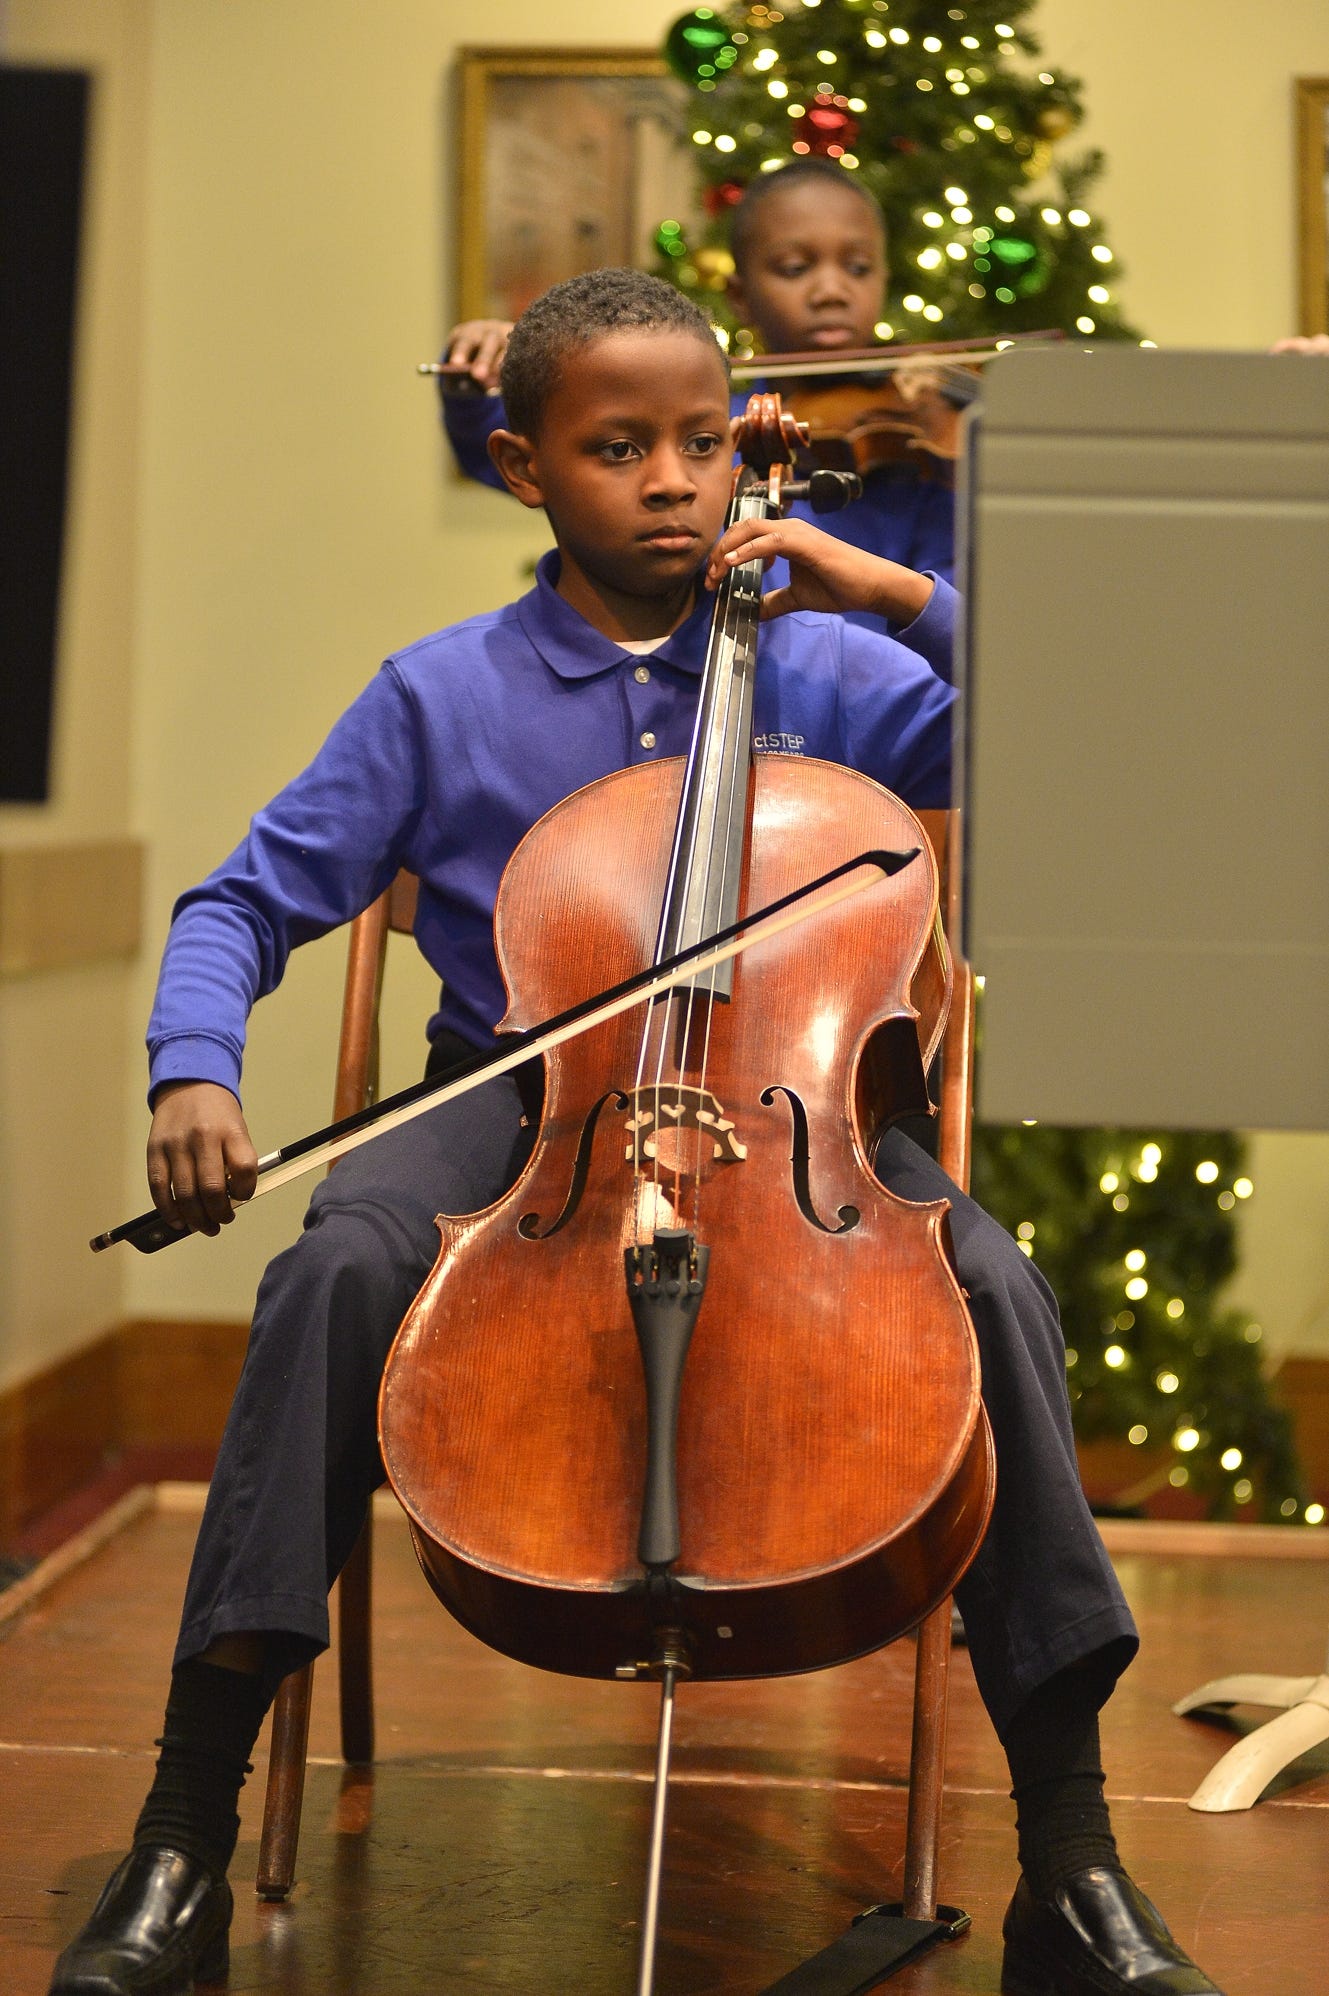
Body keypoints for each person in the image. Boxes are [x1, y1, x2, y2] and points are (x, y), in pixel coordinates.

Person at [51, 270, 1223, 1996]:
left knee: (989, 1284)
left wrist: (896, 587)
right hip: (525, 1115)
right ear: (526, 468)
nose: (672, 480)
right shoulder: (437, 695)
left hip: (796, 1115)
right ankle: (180, 1838)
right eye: (617, 448)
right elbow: (242, 902)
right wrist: (193, 1069)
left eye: (695, 442)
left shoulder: (830, 662)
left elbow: (1094, 745)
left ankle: (1071, 1861)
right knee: (336, 1267)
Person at [441, 158, 957, 639]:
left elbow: (957, 610)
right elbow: (523, 447)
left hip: (866, 697)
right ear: (739, 295)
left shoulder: (919, 443)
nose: (831, 291)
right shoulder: (700, 426)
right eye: (795, 268)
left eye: (859, 268)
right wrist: (482, 373)